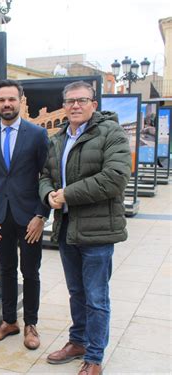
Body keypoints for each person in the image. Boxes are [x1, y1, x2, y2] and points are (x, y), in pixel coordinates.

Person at [39, 81, 131, 375]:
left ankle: (94, 356)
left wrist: (66, 194)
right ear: (64, 105)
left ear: (94, 103)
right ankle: (77, 342)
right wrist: (48, 194)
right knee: (76, 292)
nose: (75, 105)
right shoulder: (58, 139)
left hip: (97, 231)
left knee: (96, 296)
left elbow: (115, 177)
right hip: (67, 229)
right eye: (69, 101)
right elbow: (45, 175)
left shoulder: (111, 133)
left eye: (81, 100)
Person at [0, 79, 49, 348]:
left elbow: (48, 177)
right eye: (2, 100)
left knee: (30, 271)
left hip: (30, 218)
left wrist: (41, 215)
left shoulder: (37, 135)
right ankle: (9, 321)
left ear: (20, 100)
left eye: (11, 99)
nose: (6, 104)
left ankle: (31, 324)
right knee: (6, 270)